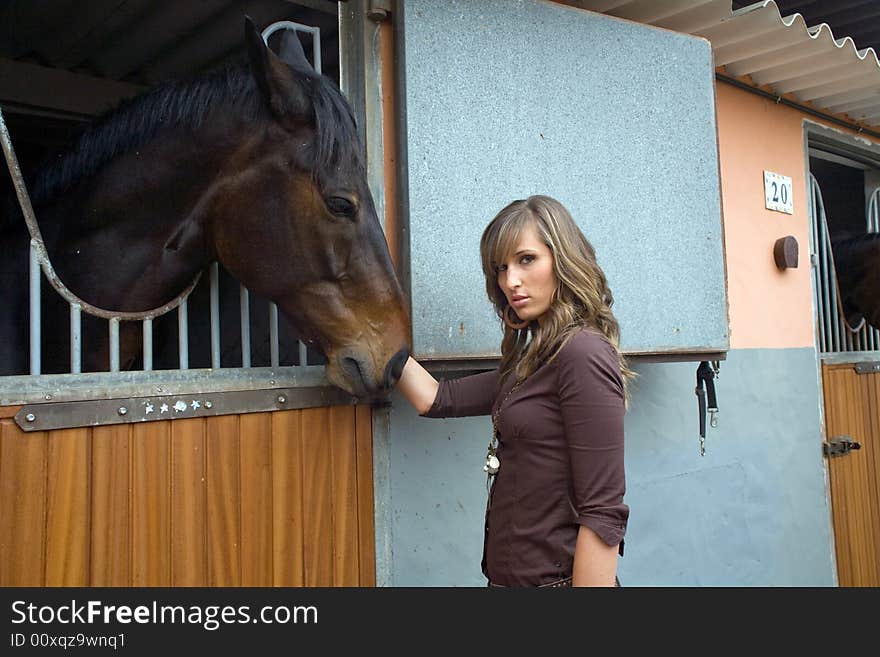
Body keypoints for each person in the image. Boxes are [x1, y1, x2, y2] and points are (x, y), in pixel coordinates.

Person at [397, 194, 633, 587]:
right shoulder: (531, 363)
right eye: (501, 268)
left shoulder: (583, 353)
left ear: (564, 259)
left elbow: (602, 512)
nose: (510, 281)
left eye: (526, 260)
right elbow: (436, 398)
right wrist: (373, 339)